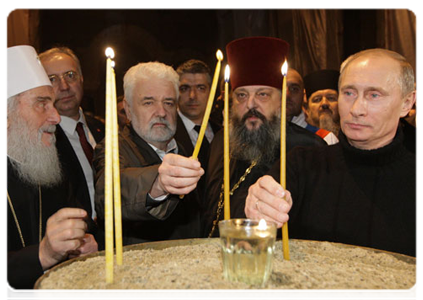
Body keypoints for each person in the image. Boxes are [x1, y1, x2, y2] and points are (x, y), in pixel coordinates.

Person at [245, 48, 419, 258]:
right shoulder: (301, 165)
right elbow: (253, 239)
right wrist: (259, 205)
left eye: (374, 95)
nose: (356, 108)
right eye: (348, 93)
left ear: (407, 103)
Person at [202, 37, 326, 237]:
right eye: (241, 95)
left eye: (263, 94)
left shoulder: (309, 148)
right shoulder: (221, 141)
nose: (251, 104)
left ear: (281, 99)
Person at [5, 45, 98, 299]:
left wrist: (81, 241)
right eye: (42, 104)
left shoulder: (44, 163)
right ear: (5, 115)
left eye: (53, 105)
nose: (56, 117)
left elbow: (79, 217)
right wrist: (43, 254)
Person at [94, 61, 204, 245]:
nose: (161, 112)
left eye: (168, 103)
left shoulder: (183, 150)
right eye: (148, 102)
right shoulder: (113, 148)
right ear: (128, 110)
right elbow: (109, 192)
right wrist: (157, 183)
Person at [39, 47, 105, 219]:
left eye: (70, 75)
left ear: (82, 79)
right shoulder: (41, 141)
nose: (64, 86)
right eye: (52, 79)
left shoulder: (103, 129)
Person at [174, 59, 221, 169]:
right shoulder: (167, 133)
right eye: (185, 88)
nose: (192, 96)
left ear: (211, 91)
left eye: (200, 88)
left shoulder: (222, 133)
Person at [303, 69, 340, 144]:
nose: (324, 104)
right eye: (317, 99)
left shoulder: (355, 137)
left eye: (331, 98)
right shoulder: (302, 141)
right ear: (307, 109)